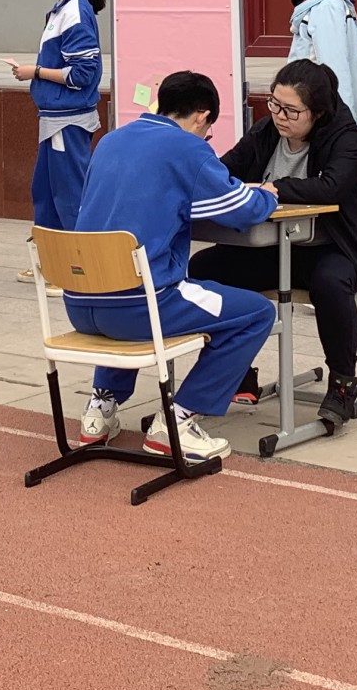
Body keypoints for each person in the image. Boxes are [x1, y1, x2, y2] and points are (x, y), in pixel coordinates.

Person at [64, 69, 278, 463]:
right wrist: (266, 195)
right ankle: (177, 420)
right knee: (257, 313)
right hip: (139, 308)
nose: (206, 137)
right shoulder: (187, 148)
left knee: (130, 286)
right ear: (202, 116)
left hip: (80, 300)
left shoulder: (110, 140)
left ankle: (100, 409)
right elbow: (239, 209)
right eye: (208, 131)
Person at [191, 59, 357, 430]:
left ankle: (342, 384)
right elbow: (225, 170)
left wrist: (275, 187)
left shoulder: (344, 135)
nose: (280, 116)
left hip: (338, 246)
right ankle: (235, 371)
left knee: (330, 282)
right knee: (203, 269)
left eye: (291, 111)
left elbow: (332, 187)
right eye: (274, 105)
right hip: (276, 246)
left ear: (318, 112)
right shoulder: (266, 130)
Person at [10, 0, 105, 254]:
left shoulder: (75, 12)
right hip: (55, 117)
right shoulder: (63, 9)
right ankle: (50, 261)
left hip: (68, 120)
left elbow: (82, 74)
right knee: (46, 193)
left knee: (69, 195)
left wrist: (35, 72)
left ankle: (80, 263)